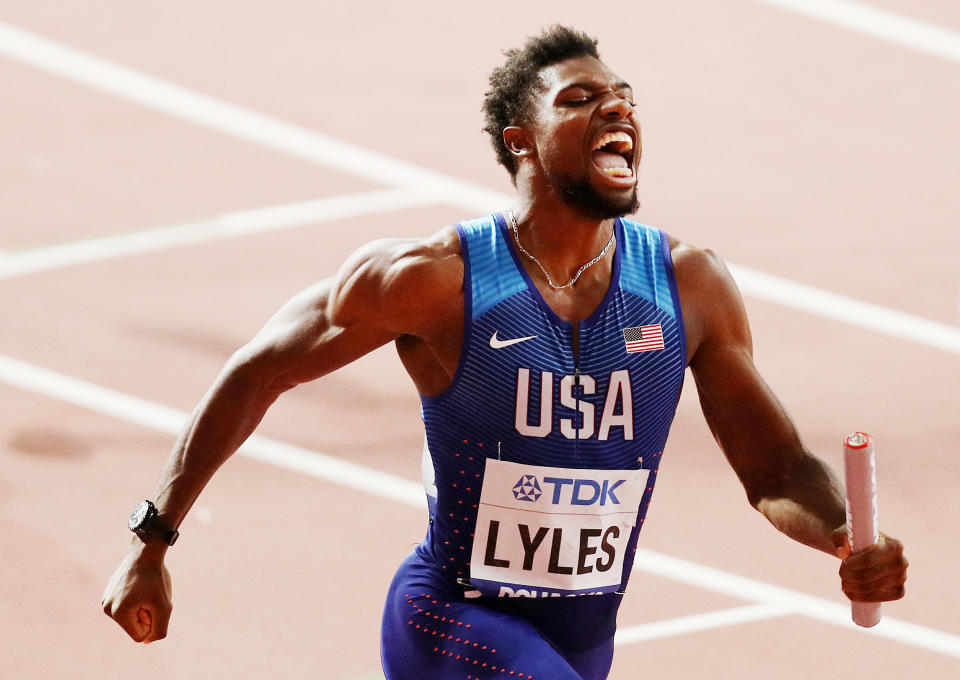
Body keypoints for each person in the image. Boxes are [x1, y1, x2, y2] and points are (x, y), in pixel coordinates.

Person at [102, 25, 908, 680]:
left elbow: (776, 470)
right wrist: (152, 541)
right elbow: (259, 369)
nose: (616, 112)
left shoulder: (688, 286)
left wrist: (842, 534)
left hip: (585, 643)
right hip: (452, 622)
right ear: (522, 141)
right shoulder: (432, 280)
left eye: (625, 99)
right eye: (583, 99)